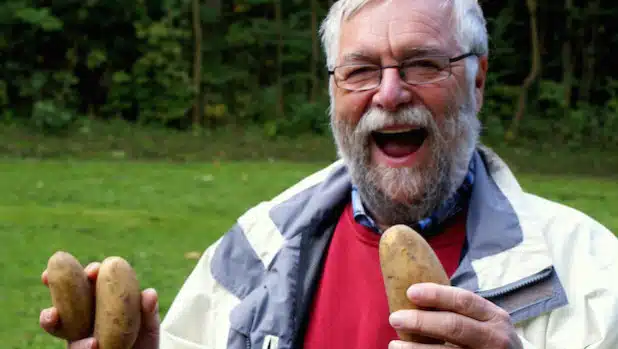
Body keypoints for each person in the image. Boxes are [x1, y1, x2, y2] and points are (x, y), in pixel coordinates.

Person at [39, 0, 618, 348]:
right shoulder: (255, 253)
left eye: (422, 63)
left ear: (479, 79)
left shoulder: (593, 273)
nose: (389, 95)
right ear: (333, 91)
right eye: (361, 71)